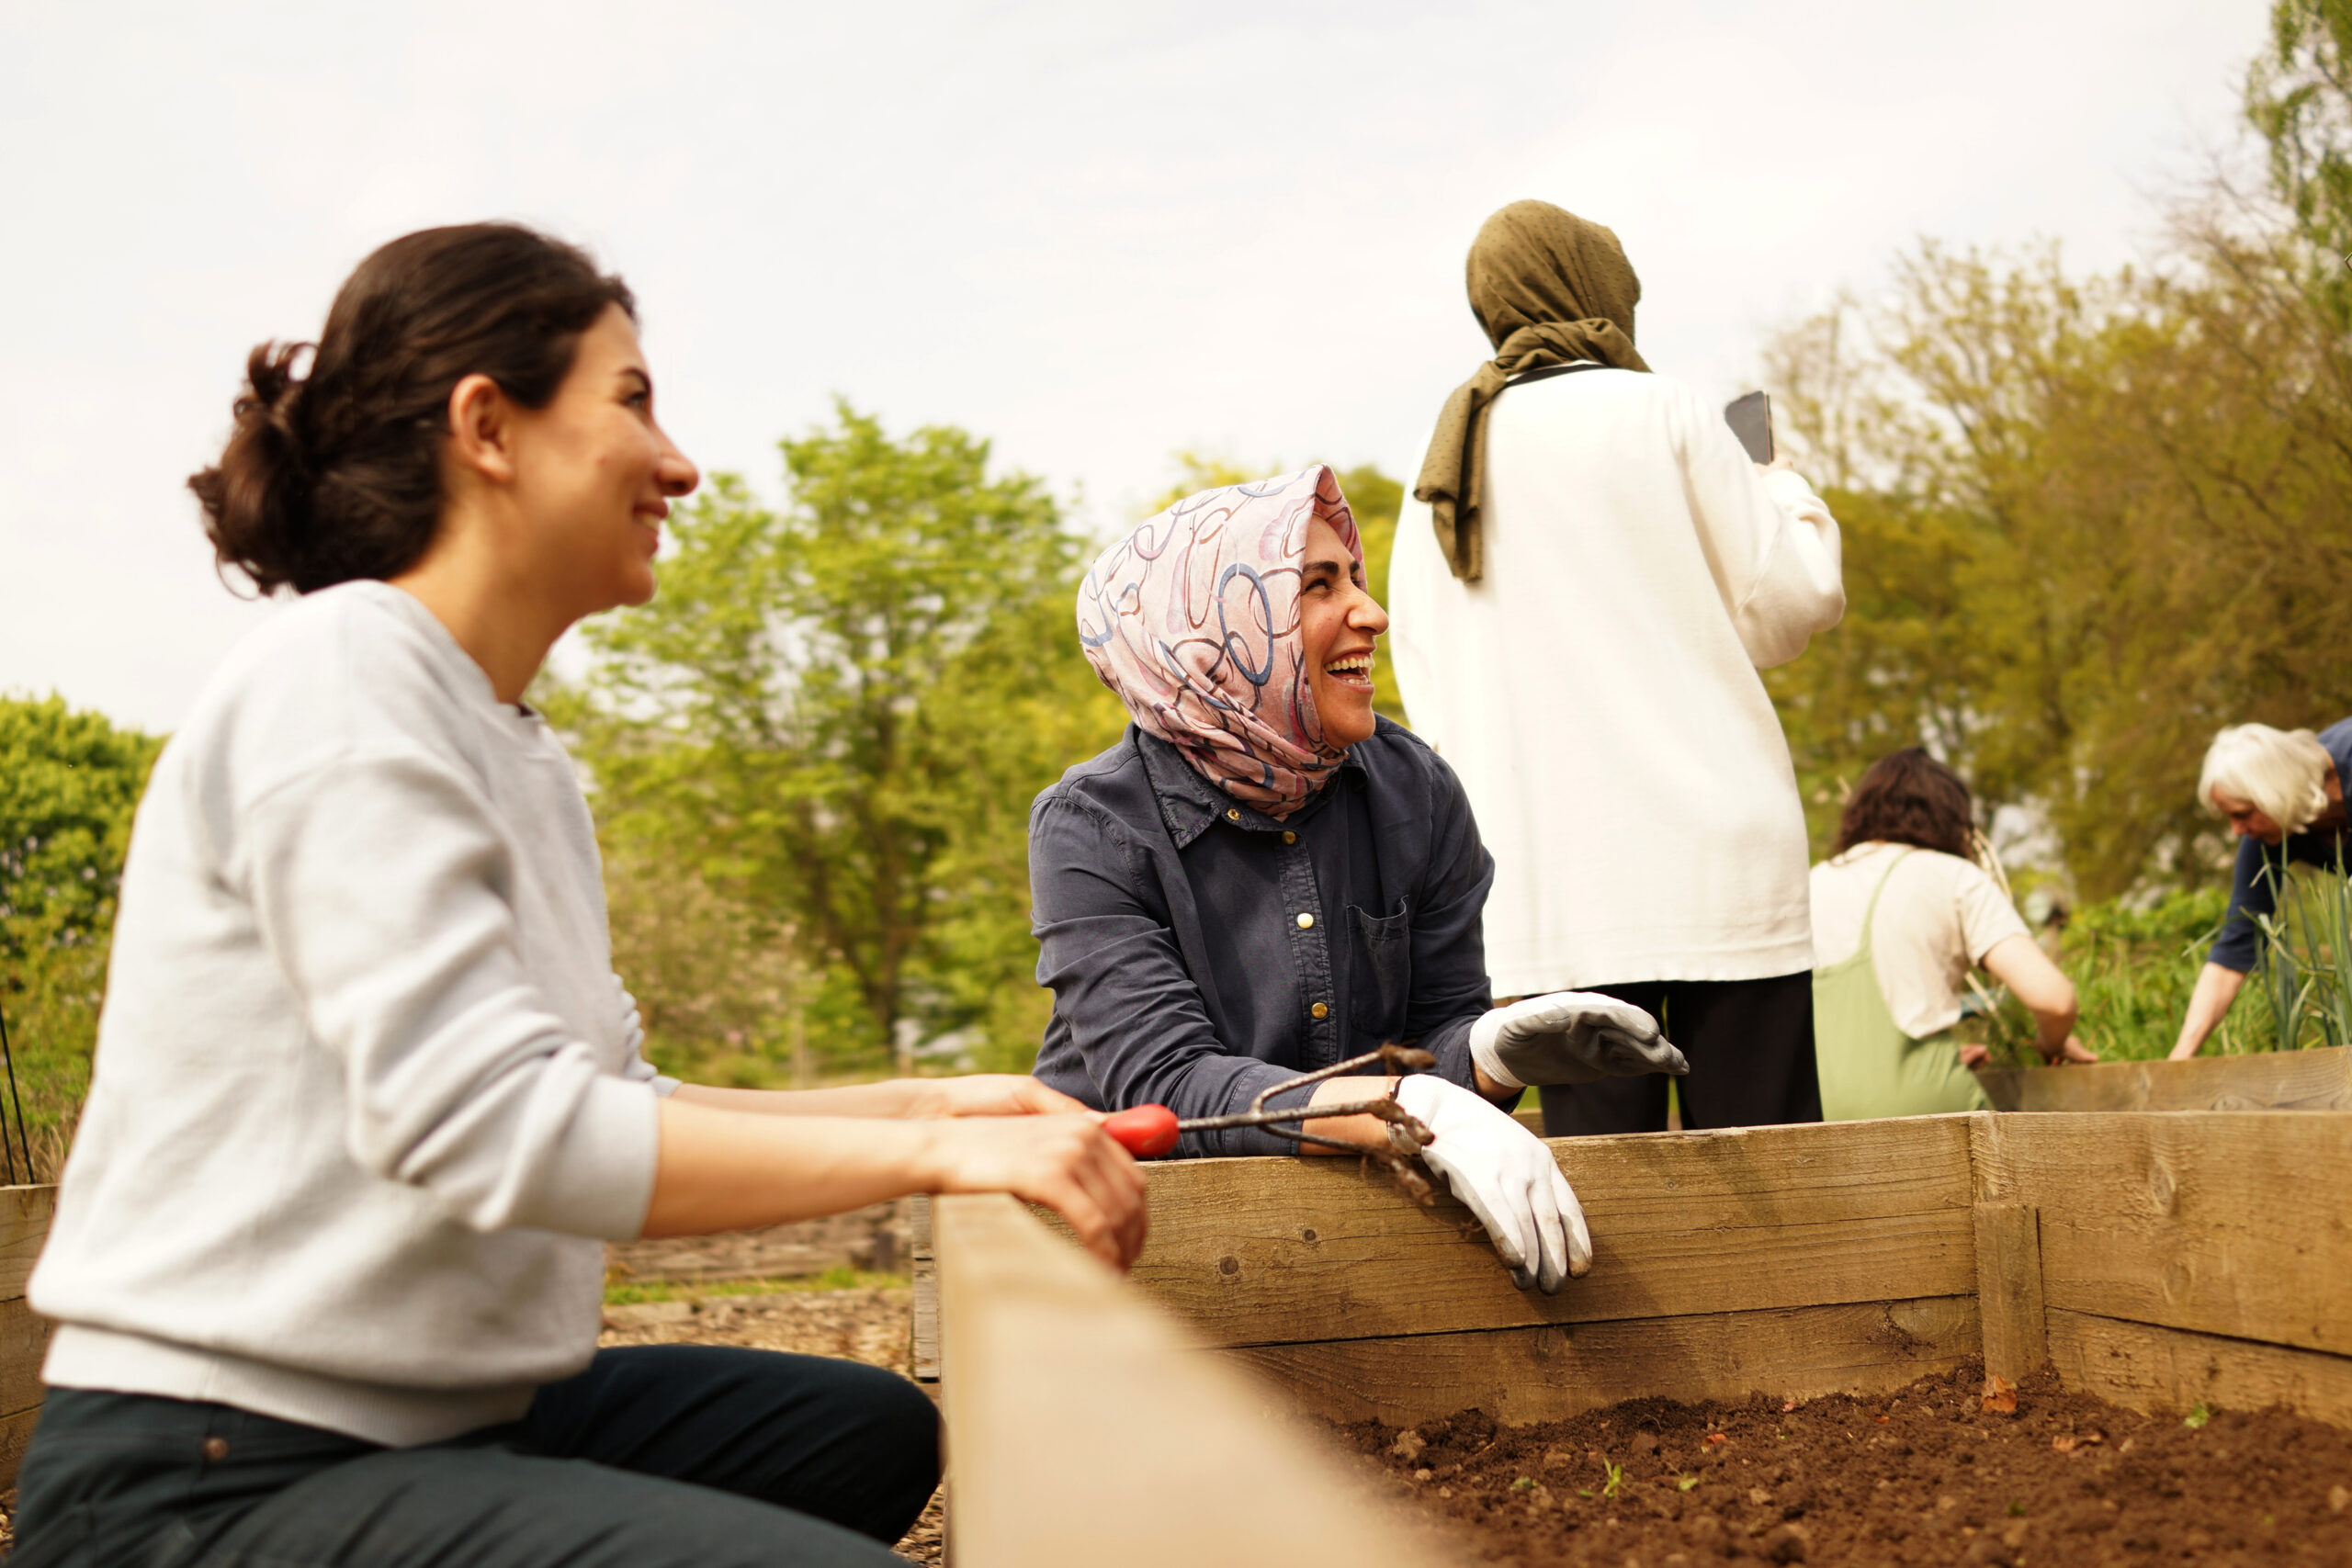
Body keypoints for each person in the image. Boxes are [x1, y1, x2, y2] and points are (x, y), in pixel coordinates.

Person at [14, 223, 1148, 1568]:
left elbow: (614, 1096)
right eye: (632, 399)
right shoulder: (338, 683)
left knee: (867, 1429)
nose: (680, 463)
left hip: (458, 1418)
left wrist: (951, 1101)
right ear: (487, 425)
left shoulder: (519, 750)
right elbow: (498, 1129)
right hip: (212, 1469)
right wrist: (937, 1155)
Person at [1029, 466, 1686, 1296]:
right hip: (1125, 1260)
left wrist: (1485, 1053)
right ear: (1213, 634)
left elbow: (1431, 1039)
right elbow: (1167, 1089)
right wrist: (1409, 1107)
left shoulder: (1418, 790)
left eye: (1357, 580)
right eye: (1316, 585)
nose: (1371, 614)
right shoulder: (1092, 827)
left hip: (1347, 1251)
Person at [1387, 198, 1846, 1139]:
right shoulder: (1665, 410)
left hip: (1549, 898)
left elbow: (1431, 706)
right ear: (1596, 289)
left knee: (1608, 1215)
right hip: (1722, 873)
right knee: (1779, 1196)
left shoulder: (1444, 466)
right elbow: (1791, 608)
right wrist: (1781, 481)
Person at [1809, 750, 2095, 1120]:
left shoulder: (1811, 883)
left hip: (1814, 1110)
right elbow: (2056, 1001)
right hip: (1923, 1111)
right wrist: (2050, 1043)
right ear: (1948, 816)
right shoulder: (1953, 876)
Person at [2170, 719, 2352, 1059]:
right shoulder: (2270, 830)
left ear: (2275, 790)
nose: (2237, 830)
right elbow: (2236, 947)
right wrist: (2181, 1055)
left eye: (2242, 814)